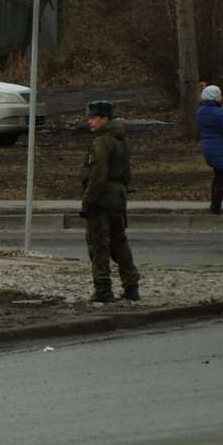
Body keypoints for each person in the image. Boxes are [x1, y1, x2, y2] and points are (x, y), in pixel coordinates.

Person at [81, 99, 140, 304]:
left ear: (105, 119)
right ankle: (131, 286)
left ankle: (103, 289)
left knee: (98, 245)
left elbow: (97, 175)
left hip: (102, 199)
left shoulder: (101, 142)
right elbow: (126, 172)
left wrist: (88, 201)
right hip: (118, 197)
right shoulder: (122, 139)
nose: (90, 121)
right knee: (119, 244)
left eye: (94, 117)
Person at [197, 84, 223, 213]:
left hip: (208, 147)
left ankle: (214, 204)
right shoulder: (220, 113)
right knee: (221, 178)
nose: (221, 97)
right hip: (221, 148)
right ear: (215, 97)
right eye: (219, 95)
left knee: (217, 176)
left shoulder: (200, 112)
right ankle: (216, 206)